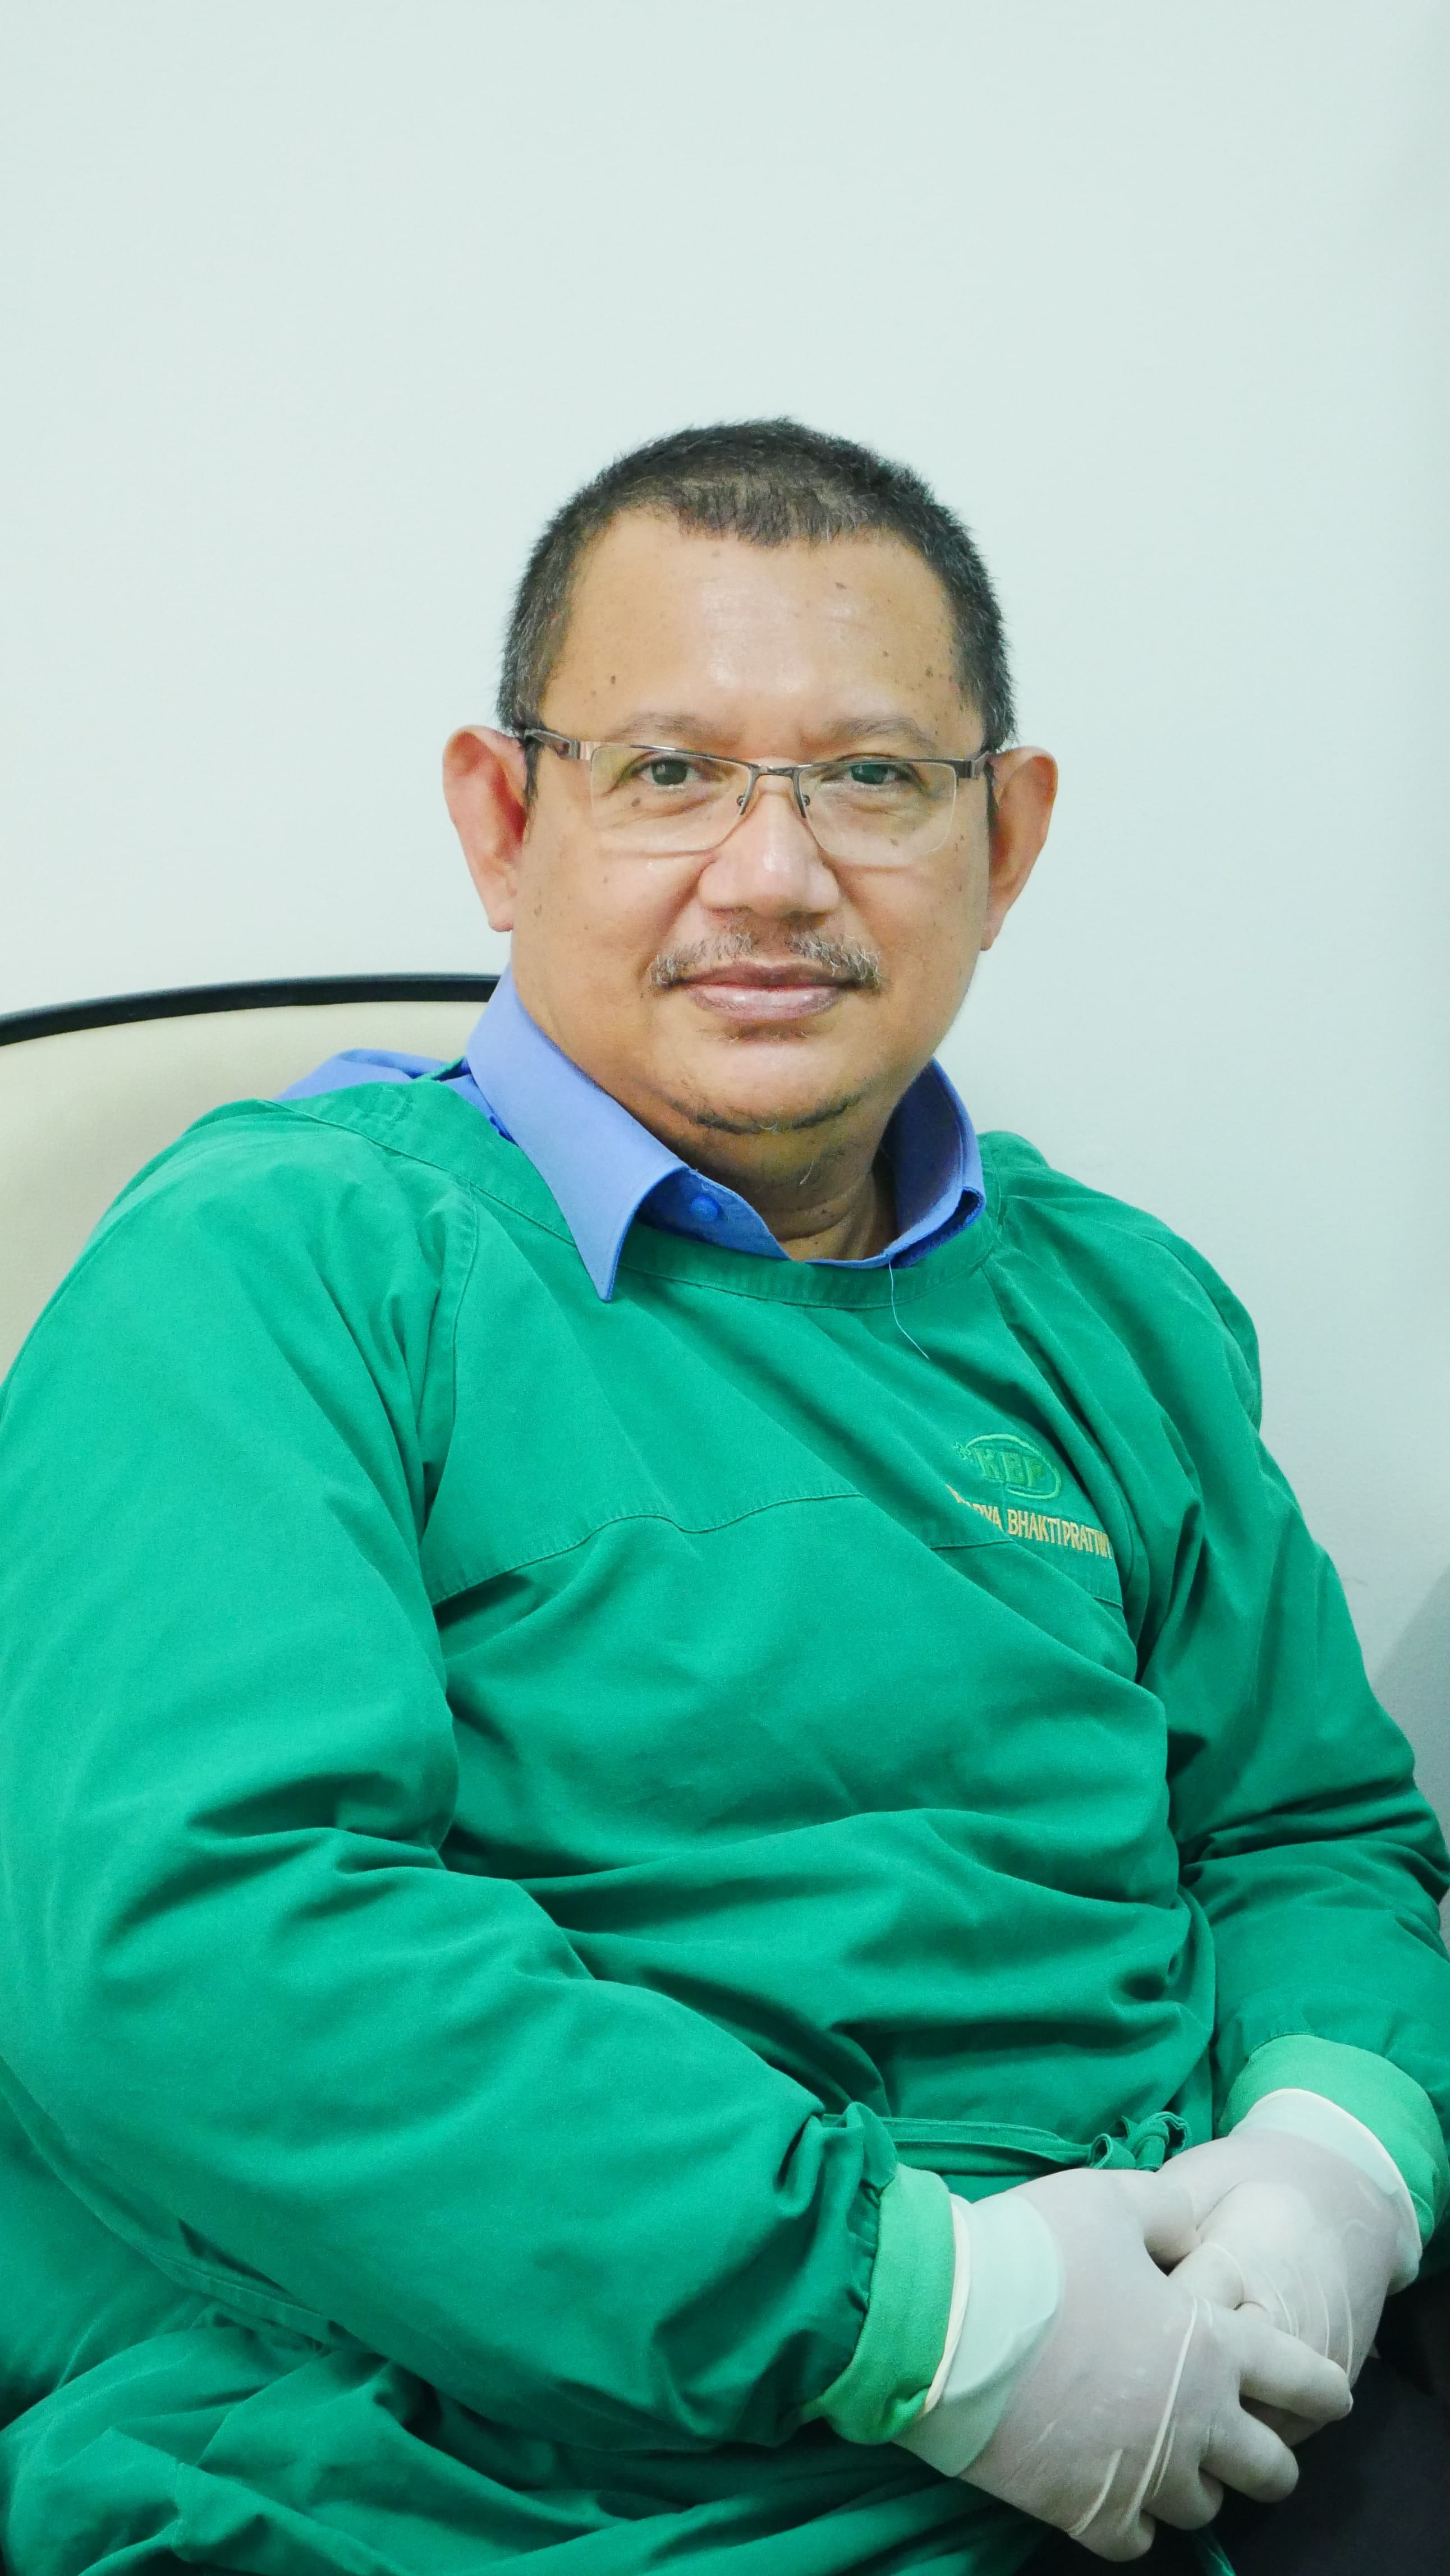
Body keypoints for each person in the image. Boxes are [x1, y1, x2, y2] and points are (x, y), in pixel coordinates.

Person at [0, 421, 1446, 2576]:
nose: (772, 875)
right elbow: (197, 1948)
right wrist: (922, 2316)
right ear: (506, 822)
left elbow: (1305, 1830)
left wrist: (1341, 2156)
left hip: (1208, 2409)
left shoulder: (1119, 1314)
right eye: (669, 771)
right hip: (494, 2482)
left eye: (873, 779)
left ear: (1006, 839)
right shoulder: (279, 1265)